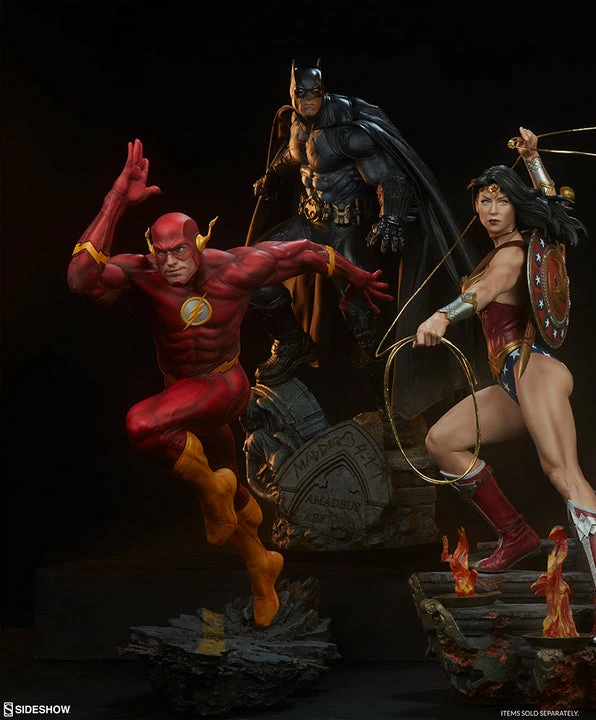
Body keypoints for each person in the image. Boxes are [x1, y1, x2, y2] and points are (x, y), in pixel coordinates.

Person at [68, 140, 393, 626]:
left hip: (224, 386)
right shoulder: (142, 274)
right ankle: (263, 568)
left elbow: (307, 251)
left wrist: (356, 279)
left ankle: (214, 488)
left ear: (199, 245)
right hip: (184, 396)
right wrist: (115, 199)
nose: (171, 263)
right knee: (236, 502)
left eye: (180, 251)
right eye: (162, 253)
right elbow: (81, 279)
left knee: (141, 425)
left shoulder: (235, 268)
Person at [415, 129, 596, 646]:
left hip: (533, 368)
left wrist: (443, 315)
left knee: (564, 473)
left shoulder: (511, 254)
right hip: (510, 380)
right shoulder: (509, 248)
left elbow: (485, 292)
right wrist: (532, 159)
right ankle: (515, 534)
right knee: (441, 442)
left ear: (515, 208)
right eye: (484, 201)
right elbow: (552, 202)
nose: (491, 210)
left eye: (501, 201)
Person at [247, 62, 475, 419]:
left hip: (346, 231)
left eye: (314, 93)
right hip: (308, 225)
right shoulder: (295, 122)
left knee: (363, 322)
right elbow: (292, 156)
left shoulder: (349, 131)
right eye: (300, 94)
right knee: (253, 270)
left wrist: (391, 218)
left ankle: (390, 409)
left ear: (323, 91)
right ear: (291, 93)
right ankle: (292, 343)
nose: (307, 100)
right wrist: (273, 177)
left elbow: (391, 178)